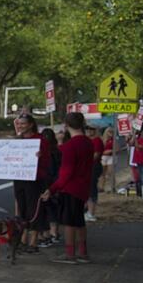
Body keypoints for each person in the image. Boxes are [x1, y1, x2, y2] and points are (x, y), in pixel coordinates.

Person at [41, 111, 95, 264]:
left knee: (69, 222)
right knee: (79, 221)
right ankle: (83, 252)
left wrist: (52, 189)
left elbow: (66, 173)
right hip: (83, 186)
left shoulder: (70, 146)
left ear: (66, 125)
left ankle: (70, 253)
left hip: (70, 188)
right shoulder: (88, 142)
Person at [11, 115, 47, 254]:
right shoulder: (17, 140)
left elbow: (47, 160)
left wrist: (40, 155)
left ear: (31, 125)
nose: (20, 126)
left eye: (23, 124)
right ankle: (23, 239)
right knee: (21, 209)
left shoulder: (40, 140)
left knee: (33, 209)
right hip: (19, 178)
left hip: (34, 178)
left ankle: (33, 241)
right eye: (18, 124)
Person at [39, 128, 61, 246]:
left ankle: (49, 234)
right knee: (52, 209)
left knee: (46, 209)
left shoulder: (49, 153)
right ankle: (54, 233)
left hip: (47, 182)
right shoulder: (57, 151)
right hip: (54, 183)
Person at [85, 126, 104, 221]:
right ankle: (88, 211)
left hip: (94, 166)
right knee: (88, 189)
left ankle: (91, 213)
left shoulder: (97, 140)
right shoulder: (88, 140)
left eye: (91, 129)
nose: (89, 131)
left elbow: (96, 155)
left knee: (91, 189)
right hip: (89, 167)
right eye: (87, 129)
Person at [99, 127, 116, 193]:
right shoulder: (102, 139)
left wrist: (111, 150)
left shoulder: (113, 140)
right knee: (102, 173)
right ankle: (101, 187)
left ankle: (112, 187)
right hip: (103, 157)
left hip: (111, 157)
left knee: (110, 172)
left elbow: (117, 149)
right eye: (109, 132)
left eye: (112, 132)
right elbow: (99, 149)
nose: (110, 134)